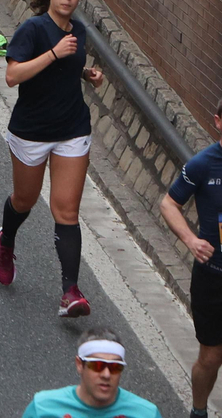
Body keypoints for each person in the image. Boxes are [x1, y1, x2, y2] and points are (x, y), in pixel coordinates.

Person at [0, 0, 101, 317]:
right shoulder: (33, 29)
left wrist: (86, 72)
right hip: (32, 130)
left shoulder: (79, 32)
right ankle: (6, 242)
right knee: (25, 200)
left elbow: (70, 65)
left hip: (72, 127)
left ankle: (70, 291)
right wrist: (54, 53)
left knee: (66, 210)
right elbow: (12, 75)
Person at [162, 106, 222, 418]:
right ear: (218, 122)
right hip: (213, 277)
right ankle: (199, 411)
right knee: (211, 358)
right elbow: (169, 203)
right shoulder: (203, 165)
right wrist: (191, 240)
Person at [21, 332, 158, 418]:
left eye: (115, 367)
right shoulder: (43, 407)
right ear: (80, 365)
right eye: (97, 365)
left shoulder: (146, 413)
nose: (106, 374)